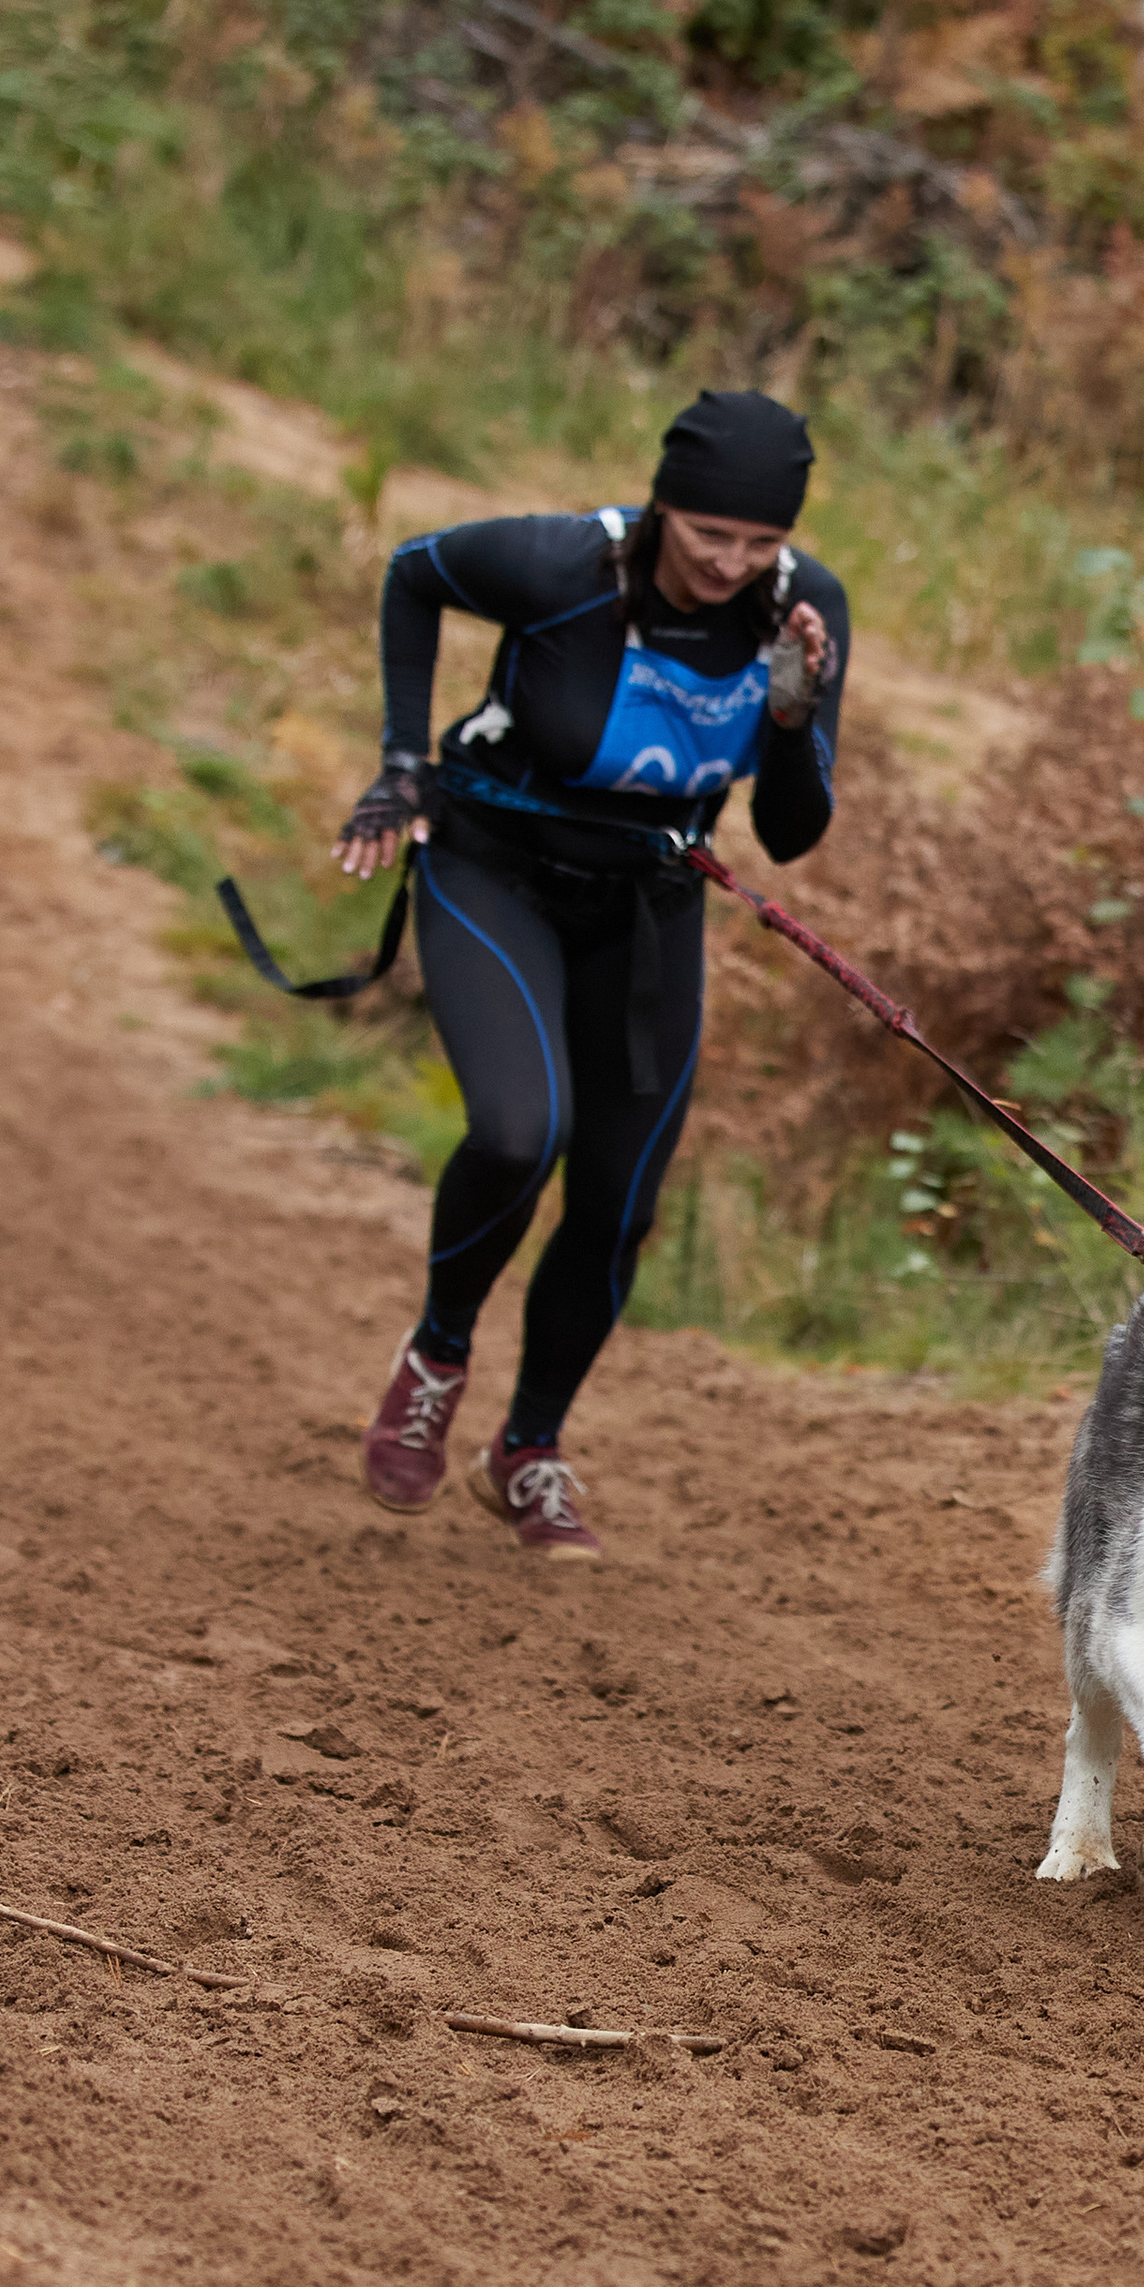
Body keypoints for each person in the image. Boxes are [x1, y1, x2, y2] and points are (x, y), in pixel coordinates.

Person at [334, 389, 847, 1557]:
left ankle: (529, 1449)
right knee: (520, 1131)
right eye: (710, 533)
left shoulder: (803, 608)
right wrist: (403, 764)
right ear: (665, 502)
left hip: (649, 903)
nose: (731, 563)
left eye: (759, 542)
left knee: (620, 1199)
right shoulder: (562, 561)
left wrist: (792, 708)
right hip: (492, 867)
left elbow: (795, 827)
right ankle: (438, 1352)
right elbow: (414, 572)